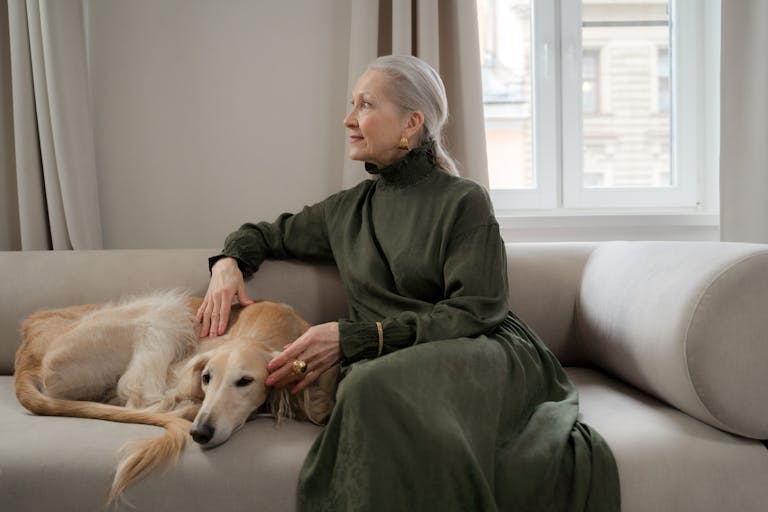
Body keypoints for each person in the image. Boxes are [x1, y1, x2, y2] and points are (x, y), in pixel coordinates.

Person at [198, 55, 620, 511]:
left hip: (477, 350)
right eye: (351, 104)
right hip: (388, 360)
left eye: (365, 105)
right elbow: (264, 233)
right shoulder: (345, 210)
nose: (348, 119)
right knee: (364, 384)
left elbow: (477, 310)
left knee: (364, 387)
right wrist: (227, 263)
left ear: (411, 122)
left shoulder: (465, 200)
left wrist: (359, 336)